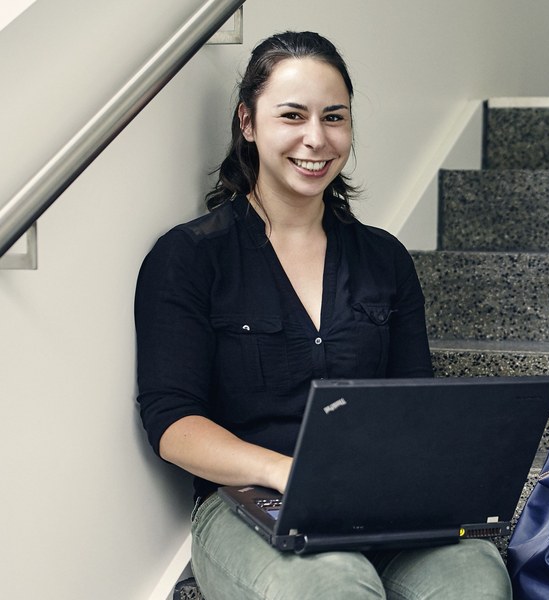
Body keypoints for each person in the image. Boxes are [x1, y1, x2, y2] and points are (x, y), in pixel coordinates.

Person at [134, 31, 511, 600]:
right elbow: (172, 423)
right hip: (248, 504)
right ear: (248, 122)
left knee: (476, 579)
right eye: (292, 115)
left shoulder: (384, 258)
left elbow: (414, 402)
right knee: (336, 585)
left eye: (334, 117)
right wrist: (283, 470)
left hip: (381, 499)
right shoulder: (189, 257)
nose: (316, 138)